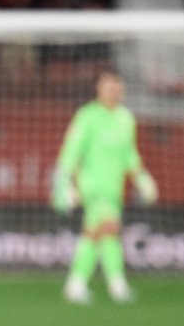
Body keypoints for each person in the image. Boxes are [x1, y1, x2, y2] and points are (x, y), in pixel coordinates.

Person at [52, 70, 157, 304]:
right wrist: (63, 179)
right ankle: (103, 284)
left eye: (117, 87)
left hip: (114, 188)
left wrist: (142, 178)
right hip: (92, 185)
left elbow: (129, 154)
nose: (113, 91)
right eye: (109, 86)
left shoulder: (126, 119)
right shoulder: (87, 116)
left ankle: (93, 284)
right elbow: (72, 150)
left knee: (102, 233)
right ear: (99, 89)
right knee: (108, 227)